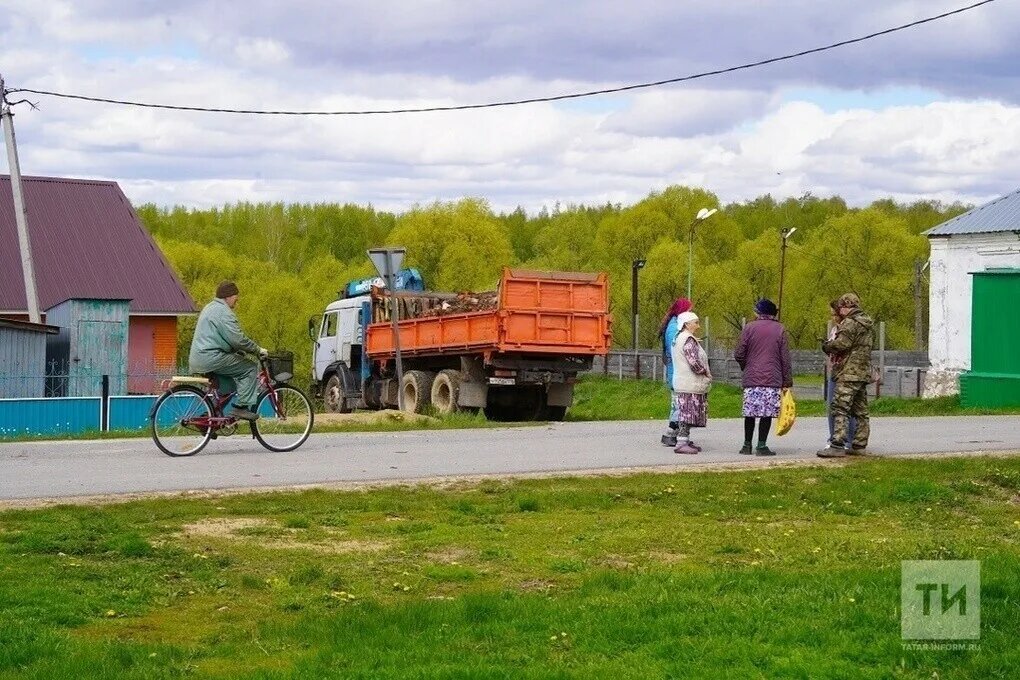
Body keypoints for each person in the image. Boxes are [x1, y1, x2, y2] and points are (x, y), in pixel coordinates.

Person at [189, 281, 269, 421]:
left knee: (229, 386)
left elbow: (220, 337)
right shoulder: (223, 312)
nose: (236, 303)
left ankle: (207, 418)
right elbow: (237, 339)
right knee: (250, 367)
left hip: (200, 357)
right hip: (211, 357)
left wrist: (236, 351)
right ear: (228, 296)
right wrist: (257, 350)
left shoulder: (210, 307)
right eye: (235, 299)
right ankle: (241, 408)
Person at [733, 298, 793, 456]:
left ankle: (746, 445)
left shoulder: (749, 328)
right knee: (766, 413)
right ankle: (761, 445)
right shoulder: (780, 329)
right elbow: (785, 358)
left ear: (759, 312)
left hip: (752, 378)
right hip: (772, 378)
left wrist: (746, 366)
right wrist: (787, 381)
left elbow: (739, 353)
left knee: (750, 413)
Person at [818, 293, 874, 457]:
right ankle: (859, 444)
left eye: (842, 307)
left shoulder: (850, 323)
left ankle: (837, 444)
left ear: (846, 307)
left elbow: (842, 344)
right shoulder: (868, 324)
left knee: (840, 408)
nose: (840, 310)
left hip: (848, 372)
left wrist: (827, 346)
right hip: (862, 372)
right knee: (861, 411)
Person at [671, 311, 712, 454]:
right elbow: (693, 361)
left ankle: (685, 440)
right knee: (687, 413)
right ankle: (681, 442)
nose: (698, 326)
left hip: (683, 381)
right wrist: (704, 371)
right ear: (687, 324)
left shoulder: (679, 338)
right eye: (695, 322)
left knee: (686, 412)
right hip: (689, 382)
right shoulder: (687, 339)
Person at [658, 297, 693, 446]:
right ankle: (671, 432)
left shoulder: (674, 324)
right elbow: (677, 349)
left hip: (677, 370)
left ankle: (675, 433)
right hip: (677, 370)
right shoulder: (674, 328)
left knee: (678, 402)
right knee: (679, 403)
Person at [825, 298, 857, 450]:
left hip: (845, 372)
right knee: (832, 406)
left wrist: (829, 347)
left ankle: (848, 439)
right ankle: (833, 437)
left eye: (834, 314)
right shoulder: (834, 329)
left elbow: (841, 347)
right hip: (834, 371)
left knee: (846, 407)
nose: (832, 317)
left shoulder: (848, 328)